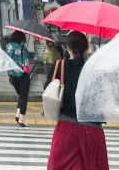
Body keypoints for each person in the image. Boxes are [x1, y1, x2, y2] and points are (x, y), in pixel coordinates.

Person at [46, 30, 108, 170]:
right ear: (86, 48)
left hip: (67, 127)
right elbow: (102, 98)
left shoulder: (59, 66)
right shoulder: (94, 69)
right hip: (93, 130)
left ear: (67, 48)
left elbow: (48, 91)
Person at [5, 32, 32, 127]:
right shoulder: (22, 47)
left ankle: (17, 113)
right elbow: (26, 62)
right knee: (24, 96)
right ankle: (21, 118)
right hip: (22, 74)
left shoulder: (8, 46)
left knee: (20, 95)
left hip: (12, 75)